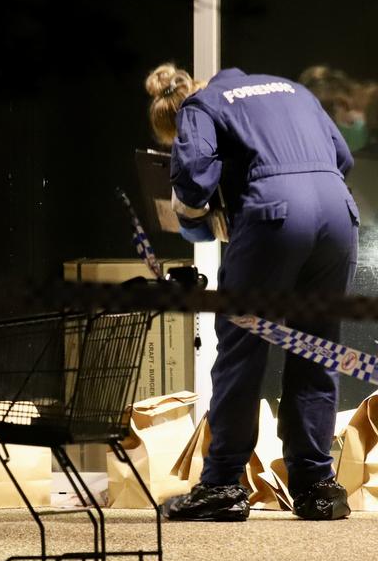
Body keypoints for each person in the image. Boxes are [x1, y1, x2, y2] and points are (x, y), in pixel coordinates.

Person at [145, 63, 358, 522]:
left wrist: (196, 215)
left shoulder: (199, 106)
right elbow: (343, 157)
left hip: (275, 215)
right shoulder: (292, 88)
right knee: (317, 350)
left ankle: (222, 484)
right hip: (339, 215)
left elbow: (195, 180)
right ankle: (317, 487)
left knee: (242, 351)